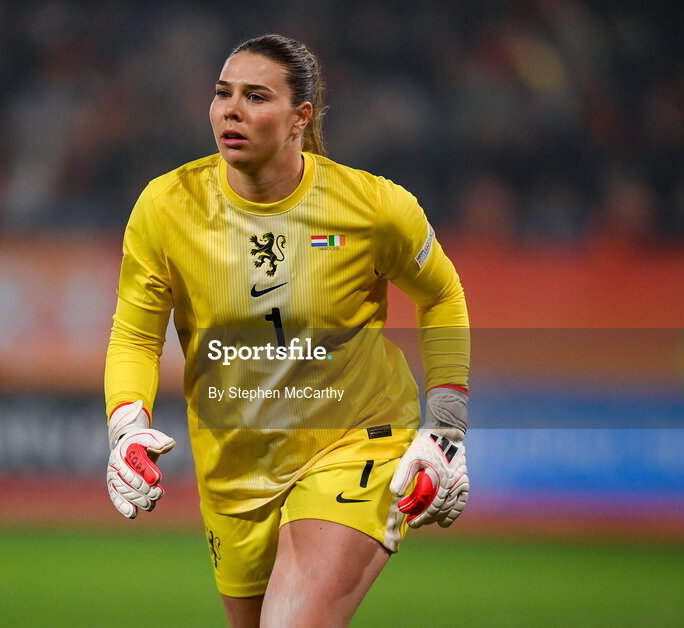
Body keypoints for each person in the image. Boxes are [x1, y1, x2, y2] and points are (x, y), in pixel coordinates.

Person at [104, 34, 470, 627]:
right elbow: (136, 335)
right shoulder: (165, 207)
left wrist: (446, 428)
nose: (231, 110)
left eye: (255, 96)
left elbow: (443, 294)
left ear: (301, 117)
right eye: (223, 94)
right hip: (234, 469)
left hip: (356, 440)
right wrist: (126, 426)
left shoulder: (372, 207)